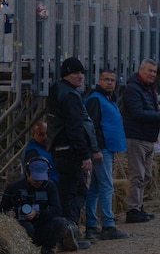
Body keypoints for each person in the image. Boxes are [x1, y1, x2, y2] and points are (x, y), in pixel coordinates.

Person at [46, 57, 97, 249]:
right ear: (66, 74)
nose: (80, 76)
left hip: (60, 150)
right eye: (75, 73)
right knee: (75, 192)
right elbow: (75, 128)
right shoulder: (70, 96)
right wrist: (84, 155)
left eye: (82, 72)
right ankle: (67, 233)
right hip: (70, 152)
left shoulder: (57, 89)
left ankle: (67, 232)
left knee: (68, 192)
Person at [123, 59, 160, 223]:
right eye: (149, 71)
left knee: (146, 175)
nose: (152, 74)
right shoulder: (132, 89)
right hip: (136, 137)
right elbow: (137, 112)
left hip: (148, 137)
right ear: (141, 71)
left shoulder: (150, 88)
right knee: (137, 175)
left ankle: (138, 205)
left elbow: (151, 109)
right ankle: (132, 210)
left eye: (154, 72)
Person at [84, 70, 130, 240]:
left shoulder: (107, 99)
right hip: (101, 149)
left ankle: (91, 225)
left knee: (96, 188)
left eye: (112, 80)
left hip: (105, 148)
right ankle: (108, 225)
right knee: (106, 186)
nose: (110, 83)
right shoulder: (96, 99)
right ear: (99, 81)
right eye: (106, 80)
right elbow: (91, 127)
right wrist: (95, 150)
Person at [0, 157, 79, 254]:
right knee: (27, 227)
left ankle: (47, 248)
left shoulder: (50, 186)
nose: (38, 181)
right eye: (35, 178)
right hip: (22, 228)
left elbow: (57, 211)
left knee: (61, 222)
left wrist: (37, 213)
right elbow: (3, 209)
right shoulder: (14, 188)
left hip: (43, 225)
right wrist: (9, 214)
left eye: (41, 178)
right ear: (27, 173)